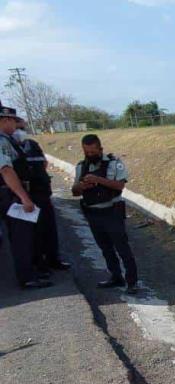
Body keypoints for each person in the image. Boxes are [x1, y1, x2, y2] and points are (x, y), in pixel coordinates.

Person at [71, 134, 138, 294]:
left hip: (112, 212)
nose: (89, 155)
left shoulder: (114, 164)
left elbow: (120, 186)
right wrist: (81, 187)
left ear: (100, 149)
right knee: (105, 248)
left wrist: (98, 180)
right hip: (93, 213)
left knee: (122, 247)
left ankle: (132, 282)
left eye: (93, 152)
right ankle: (116, 276)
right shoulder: (81, 166)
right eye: (86, 152)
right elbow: (74, 192)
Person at [0, 105, 50, 289]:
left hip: (10, 192)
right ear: (5, 120)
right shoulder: (1, 142)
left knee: (23, 236)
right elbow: (5, 170)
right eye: (13, 121)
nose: (16, 124)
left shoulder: (8, 140)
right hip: (9, 193)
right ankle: (27, 277)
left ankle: (32, 272)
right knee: (21, 237)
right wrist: (24, 197)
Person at [13, 119, 70, 274]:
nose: (20, 131)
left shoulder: (32, 144)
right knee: (34, 234)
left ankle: (54, 260)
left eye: (22, 128)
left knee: (50, 229)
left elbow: (43, 163)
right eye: (18, 128)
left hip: (43, 193)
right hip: (28, 196)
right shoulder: (10, 147)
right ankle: (39, 265)